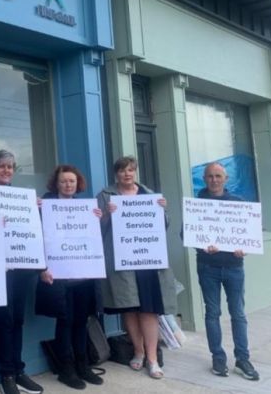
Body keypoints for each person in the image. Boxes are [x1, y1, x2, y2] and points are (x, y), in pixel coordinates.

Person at [96, 156, 176, 380]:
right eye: (122, 171)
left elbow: (164, 225)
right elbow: (96, 228)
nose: (126, 174)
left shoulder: (150, 195)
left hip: (148, 260)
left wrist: (163, 211)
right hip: (122, 261)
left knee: (148, 310)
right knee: (129, 307)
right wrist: (107, 217)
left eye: (130, 170)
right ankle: (138, 351)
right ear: (116, 174)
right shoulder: (105, 196)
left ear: (136, 172)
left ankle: (152, 358)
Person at [0, 150, 43, 394]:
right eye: (2, 166)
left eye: (11, 167)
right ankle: (7, 374)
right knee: (4, 319)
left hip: (20, 263)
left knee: (18, 319)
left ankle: (19, 368)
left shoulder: (19, 196)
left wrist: (34, 210)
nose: (7, 171)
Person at [37, 165, 103, 390]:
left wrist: (98, 219)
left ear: (78, 184)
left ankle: (83, 366)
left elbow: (94, 238)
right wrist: (42, 268)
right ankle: (66, 369)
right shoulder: (44, 205)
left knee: (81, 321)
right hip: (59, 276)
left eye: (72, 181)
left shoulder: (85, 208)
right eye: (64, 181)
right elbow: (36, 238)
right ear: (56, 183)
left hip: (83, 275)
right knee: (64, 322)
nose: (68, 185)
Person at [195, 162, 259, 380]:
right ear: (204, 179)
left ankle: (242, 359)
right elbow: (187, 235)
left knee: (238, 314)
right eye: (210, 176)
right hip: (207, 267)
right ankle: (218, 358)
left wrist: (244, 249)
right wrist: (202, 244)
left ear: (226, 178)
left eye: (218, 176)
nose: (214, 180)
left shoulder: (238, 203)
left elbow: (250, 235)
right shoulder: (197, 205)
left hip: (234, 267)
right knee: (212, 313)